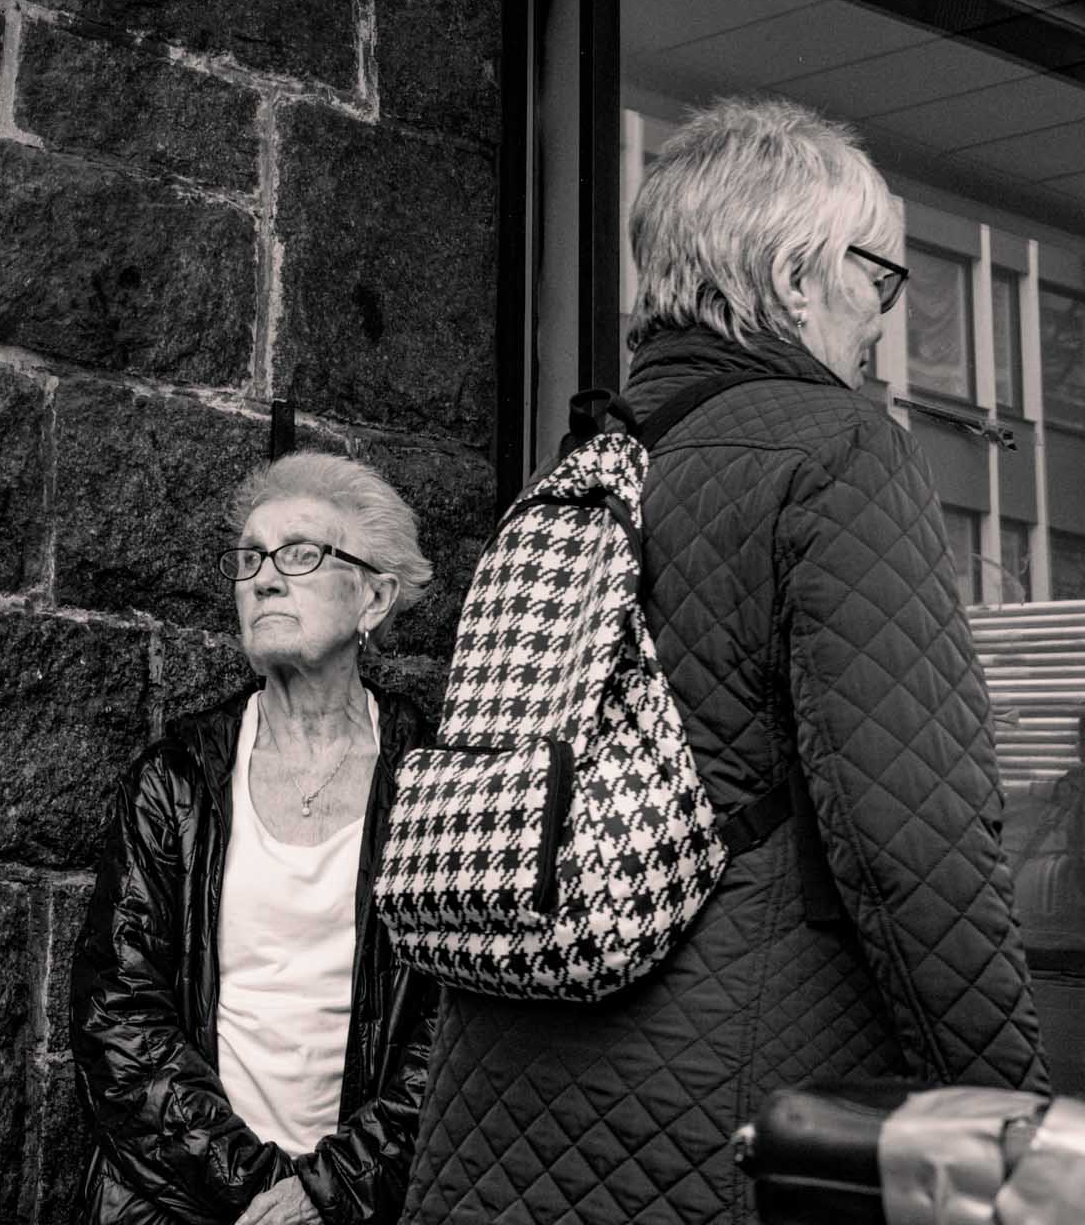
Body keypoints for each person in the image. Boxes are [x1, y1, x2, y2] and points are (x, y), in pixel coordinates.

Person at [402, 96, 1048, 1225]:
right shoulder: (838, 451)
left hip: (491, 1111)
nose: (880, 319)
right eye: (878, 279)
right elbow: (914, 842)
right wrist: (1020, 1133)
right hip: (716, 1124)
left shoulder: (586, 466)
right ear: (795, 277)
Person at [72, 450, 441, 1225]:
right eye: (250, 560)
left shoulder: (433, 784)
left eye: (301, 554)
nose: (266, 578)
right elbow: (120, 1015)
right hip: (187, 1203)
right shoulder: (175, 778)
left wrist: (324, 1192)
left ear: (374, 597)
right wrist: (259, 1192)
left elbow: (450, 1032)